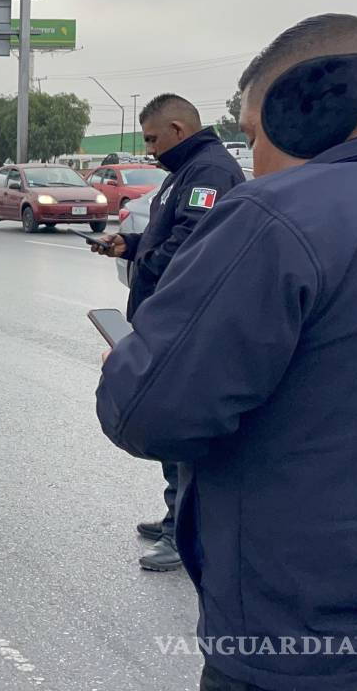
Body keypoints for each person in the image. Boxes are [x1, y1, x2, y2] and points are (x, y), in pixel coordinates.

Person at [97, 13, 357, 690]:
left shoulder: (281, 217)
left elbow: (151, 415)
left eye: (252, 135)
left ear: (307, 106)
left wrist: (129, 365)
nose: (256, 161)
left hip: (306, 633)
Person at [89, 94, 242, 571]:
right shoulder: (186, 170)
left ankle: (185, 532)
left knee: (179, 424)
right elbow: (168, 235)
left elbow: (191, 245)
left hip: (185, 323)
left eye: (154, 139)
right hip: (167, 316)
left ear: (179, 129)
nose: (151, 149)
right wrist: (129, 245)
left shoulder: (209, 171)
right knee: (168, 423)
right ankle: (178, 514)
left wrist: (149, 261)